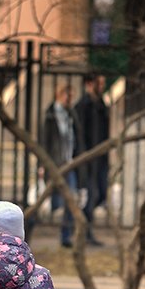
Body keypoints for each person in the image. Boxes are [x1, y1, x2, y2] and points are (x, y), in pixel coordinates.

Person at [42, 84, 83, 248]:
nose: (70, 99)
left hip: (69, 163)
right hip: (54, 165)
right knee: (46, 201)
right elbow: (45, 142)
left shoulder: (71, 114)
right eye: (68, 96)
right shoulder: (51, 115)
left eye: (71, 96)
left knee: (71, 200)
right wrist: (43, 166)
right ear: (59, 95)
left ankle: (66, 236)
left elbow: (75, 139)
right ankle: (28, 229)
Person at [74, 74, 110, 246]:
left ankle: (85, 229)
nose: (102, 86)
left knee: (101, 195)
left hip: (101, 159)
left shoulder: (101, 104)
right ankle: (85, 233)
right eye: (99, 83)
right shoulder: (82, 106)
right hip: (87, 160)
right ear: (89, 84)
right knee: (89, 196)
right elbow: (80, 136)